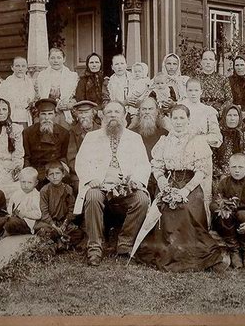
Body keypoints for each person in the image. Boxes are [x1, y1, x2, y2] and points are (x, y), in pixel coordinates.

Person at [134, 104, 230, 272]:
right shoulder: (164, 141)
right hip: (168, 182)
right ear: (170, 120)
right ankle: (169, 250)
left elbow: (202, 171)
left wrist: (185, 190)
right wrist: (163, 184)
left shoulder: (197, 140)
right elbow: (157, 167)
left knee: (183, 207)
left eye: (182, 118)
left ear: (188, 120)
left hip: (190, 184)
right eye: (175, 118)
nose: (178, 122)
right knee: (165, 207)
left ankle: (187, 253)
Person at [74, 101, 151, 266]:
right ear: (102, 116)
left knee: (142, 200)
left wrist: (136, 180)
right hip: (100, 185)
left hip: (126, 187)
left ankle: (125, 244)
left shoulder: (134, 138)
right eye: (109, 112)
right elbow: (81, 163)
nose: (113, 115)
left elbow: (143, 164)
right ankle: (94, 248)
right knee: (93, 196)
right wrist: (91, 179)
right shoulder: (91, 137)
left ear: (124, 116)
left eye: (117, 112)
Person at [180, 78, 222, 221]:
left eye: (196, 90)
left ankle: (204, 224)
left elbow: (217, 137)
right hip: (182, 153)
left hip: (202, 152)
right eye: (190, 90)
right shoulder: (180, 108)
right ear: (185, 91)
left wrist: (198, 139)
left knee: (203, 188)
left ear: (201, 92)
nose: (193, 93)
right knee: (184, 185)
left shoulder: (208, 111)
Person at [209, 154, 245, 269]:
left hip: (243, 221)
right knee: (225, 215)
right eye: (234, 167)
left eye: (240, 167)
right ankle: (234, 250)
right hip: (227, 223)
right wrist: (221, 207)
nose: (237, 170)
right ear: (229, 168)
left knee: (243, 214)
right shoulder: (224, 183)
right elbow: (214, 202)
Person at [35, 161, 84, 248]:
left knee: (78, 233)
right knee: (46, 231)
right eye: (51, 174)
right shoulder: (44, 191)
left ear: (63, 174)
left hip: (63, 222)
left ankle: (59, 243)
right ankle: (58, 243)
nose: (55, 177)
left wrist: (64, 225)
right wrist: (54, 226)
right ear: (47, 177)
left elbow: (71, 210)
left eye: (57, 173)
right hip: (50, 223)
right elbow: (44, 212)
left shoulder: (68, 189)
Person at [22, 99, 70, 188]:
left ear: (55, 115)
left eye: (50, 114)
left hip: (54, 168)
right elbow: (27, 156)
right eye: (43, 114)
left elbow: (64, 156)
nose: (47, 118)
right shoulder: (28, 132)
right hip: (36, 168)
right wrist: (27, 173)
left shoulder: (64, 133)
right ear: (38, 116)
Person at [128, 97, 169, 198]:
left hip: (158, 179)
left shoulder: (164, 133)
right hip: (137, 179)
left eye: (150, 109)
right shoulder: (130, 134)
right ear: (139, 112)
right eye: (144, 109)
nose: (147, 112)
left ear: (157, 112)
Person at [34, 47, 78, 126]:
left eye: (58, 58)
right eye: (53, 58)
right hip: (47, 110)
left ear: (64, 59)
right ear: (48, 59)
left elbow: (76, 97)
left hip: (65, 111)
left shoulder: (72, 76)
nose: (56, 61)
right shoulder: (42, 76)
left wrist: (69, 105)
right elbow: (37, 96)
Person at [67, 100, 100, 192]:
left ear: (93, 113)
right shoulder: (73, 133)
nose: (84, 116)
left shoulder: (102, 131)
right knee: (83, 190)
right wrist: (86, 175)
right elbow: (72, 159)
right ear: (77, 115)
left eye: (86, 112)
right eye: (81, 113)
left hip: (100, 172)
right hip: (80, 174)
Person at [213, 103, 245, 180]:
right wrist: (221, 174)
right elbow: (213, 159)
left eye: (235, 115)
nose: (232, 118)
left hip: (241, 174)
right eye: (229, 115)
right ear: (224, 117)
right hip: (221, 176)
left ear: (240, 117)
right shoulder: (217, 134)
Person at [0, 56, 35, 129]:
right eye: (17, 66)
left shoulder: (31, 83)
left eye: (23, 66)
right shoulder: (5, 84)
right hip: (11, 118)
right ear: (12, 67)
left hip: (26, 118)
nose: (20, 69)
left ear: (26, 68)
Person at [3, 167, 41, 235]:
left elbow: (38, 214)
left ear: (36, 183)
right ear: (19, 181)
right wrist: (11, 212)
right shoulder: (17, 193)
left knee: (12, 222)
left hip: (27, 222)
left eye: (30, 182)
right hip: (15, 217)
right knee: (3, 219)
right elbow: (10, 205)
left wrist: (24, 214)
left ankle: (9, 230)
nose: (26, 185)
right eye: (23, 182)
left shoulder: (36, 195)